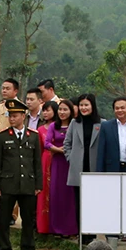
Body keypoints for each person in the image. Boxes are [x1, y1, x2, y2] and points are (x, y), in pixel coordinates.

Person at [0, 98, 42, 250]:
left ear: (23, 115)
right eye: (10, 115)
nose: (12, 118)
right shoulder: (1, 137)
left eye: (15, 115)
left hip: (28, 185)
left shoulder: (33, 137)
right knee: (4, 221)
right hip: (7, 185)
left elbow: (37, 163)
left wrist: (38, 185)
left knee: (28, 222)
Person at [65, 95, 101, 229]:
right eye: (81, 105)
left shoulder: (101, 123)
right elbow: (67, 143)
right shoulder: (75, 123)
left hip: (94, 168)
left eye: (86, 105)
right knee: (79, 202)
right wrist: (71, 158)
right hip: (78, 168)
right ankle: (82, 233)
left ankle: (92, 232)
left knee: (93, 203)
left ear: (92, 106)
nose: (83, 108)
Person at [44, 99, 78, 238]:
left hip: (71, 162)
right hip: (58, 162)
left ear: (71, 111)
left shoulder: (75, 125)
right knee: (56, 194)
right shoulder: (53, 126)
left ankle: (70, 229)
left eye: (65, 109)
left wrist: (68, 151)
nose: (62, 112)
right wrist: (58, 149)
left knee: (70, 196)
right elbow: (46, 143)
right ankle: (56, 228)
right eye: (60, 109)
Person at [36, 100, 56, 234]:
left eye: (48, 110)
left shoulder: (60, 128)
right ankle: (43, 226)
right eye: (44, 110)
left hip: (58, 161)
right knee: (43, 194)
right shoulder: (40, 129)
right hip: (44, 160)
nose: (45, 113)